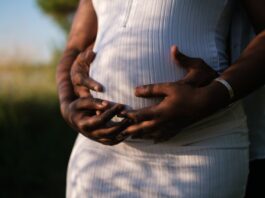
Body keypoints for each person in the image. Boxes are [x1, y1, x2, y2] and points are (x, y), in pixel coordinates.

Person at [56, 0, 265, 197]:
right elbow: (74, 47)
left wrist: (213, 95)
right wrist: (67, 104)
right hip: (98, 152)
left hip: (200, 146)